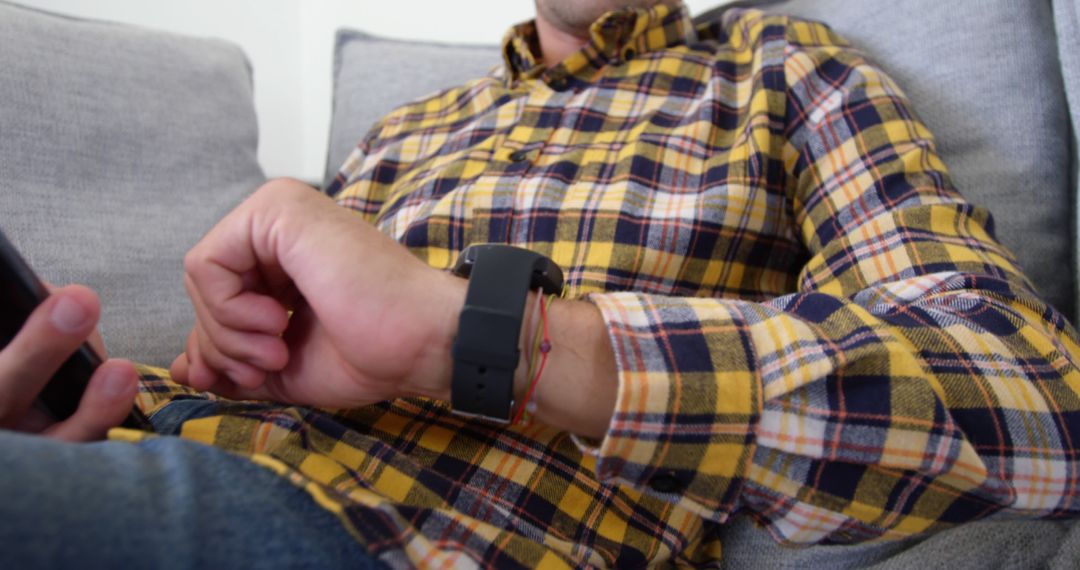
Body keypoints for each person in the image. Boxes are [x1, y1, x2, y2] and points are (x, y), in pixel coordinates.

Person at [2, 0, 1079, 567]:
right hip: (123, 441)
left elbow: (1035, 401)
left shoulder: (788, 71)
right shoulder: (407, 126)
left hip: (392, 535)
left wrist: (483, 337)